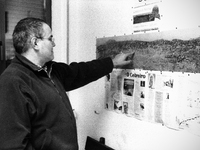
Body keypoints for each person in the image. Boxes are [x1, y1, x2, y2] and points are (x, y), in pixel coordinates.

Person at [0, 17, 134, 150]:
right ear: (35, 43)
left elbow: (81, 71)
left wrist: (112, 62)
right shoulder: (13, 81)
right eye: (50, 38)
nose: (54, 43)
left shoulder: (50, 70)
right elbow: (14, 145)